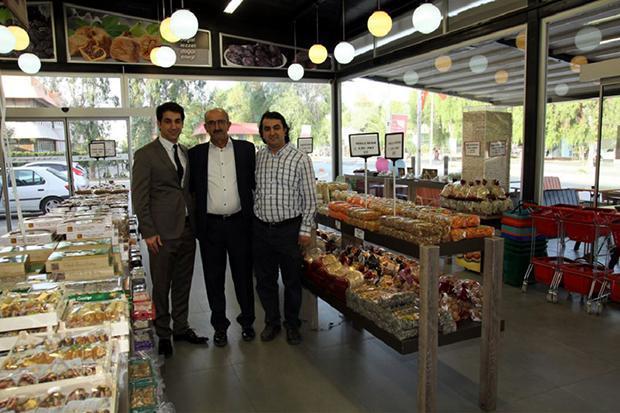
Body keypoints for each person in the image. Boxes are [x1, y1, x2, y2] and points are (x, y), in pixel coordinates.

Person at [132, 102, 208, 358]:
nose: (174, 126)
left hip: (187, 229)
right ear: (159, 123)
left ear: (182, 123)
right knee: (162, 284)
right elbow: (139, 197)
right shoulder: (145, 155)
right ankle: (163, 333)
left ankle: (181, 327)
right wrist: (148, 231)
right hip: (161, 233)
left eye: (178, 121)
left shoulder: (185, 152)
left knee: (184, 282)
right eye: (168, 121)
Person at [188, 108, 256, 347]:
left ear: (229, 124)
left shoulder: (246, 150)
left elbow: (254, 184)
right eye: (211, 123)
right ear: (206, 127)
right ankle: (219, 326)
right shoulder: (195, 155)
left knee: (243, 277)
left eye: (220, 122)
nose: (216, 127)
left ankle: (247, 323)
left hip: (240, 225)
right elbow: (191, 191)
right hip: (211, 228)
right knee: (214, 279)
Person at [253, 111, 317, 345]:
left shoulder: (300, 159)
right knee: (264, 280)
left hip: (289, 230)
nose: (272, 132)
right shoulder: (259, 157)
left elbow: (310, 199)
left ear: (285, 130)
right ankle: (272, 322)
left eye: (276, 127)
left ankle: (292, 324)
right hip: (261, 230)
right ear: (262, 133)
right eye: (267, 128)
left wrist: (305, 230)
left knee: (292, 281)